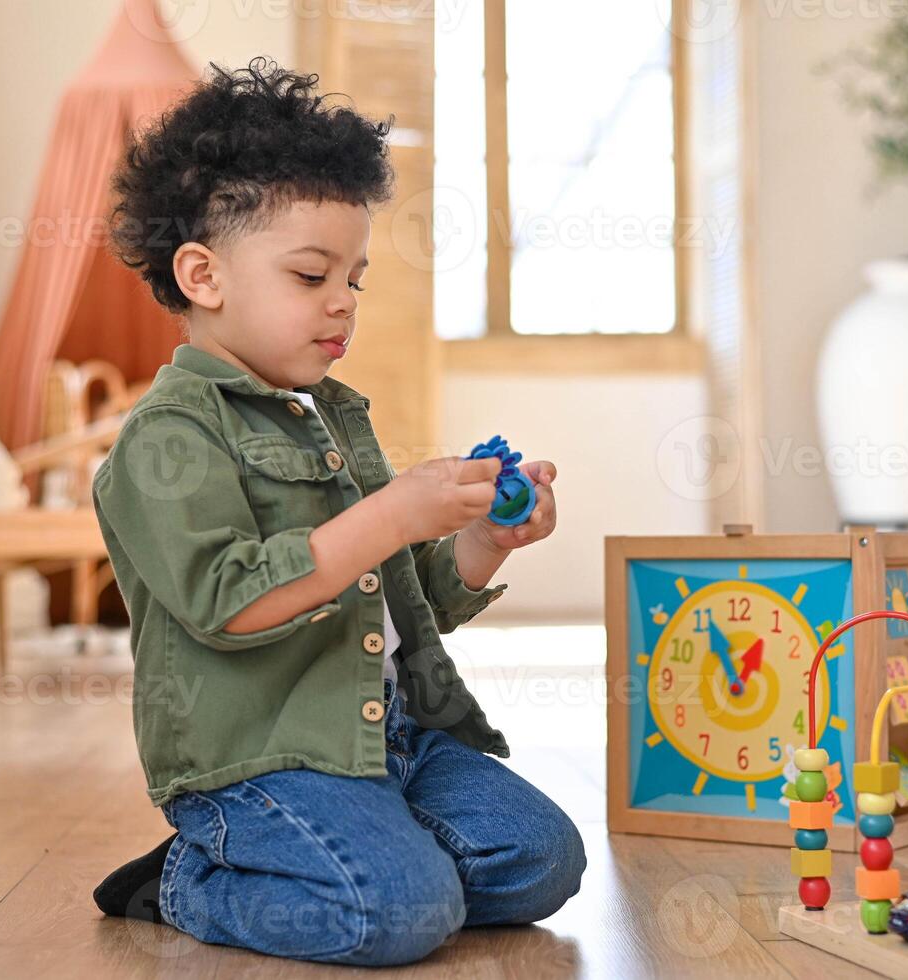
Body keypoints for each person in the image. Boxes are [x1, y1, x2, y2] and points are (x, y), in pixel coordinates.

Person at [87, 57, 585, 966]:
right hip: (265, 758)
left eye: (354, 277)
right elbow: (229, 600)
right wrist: (394, 510)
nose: (343, 302)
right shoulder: (166, 438)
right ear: (203, 275)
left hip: (386, 733)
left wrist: (482, 538)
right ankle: (188, 877)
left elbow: (401, 598)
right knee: (396, 915)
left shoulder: (334, 413)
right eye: (312, 275)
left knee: (545, 860)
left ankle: (358, 850)